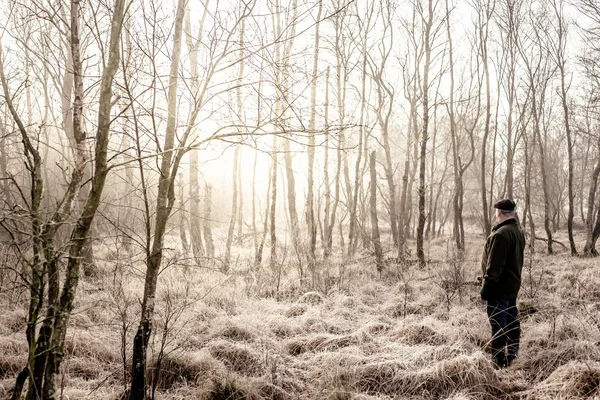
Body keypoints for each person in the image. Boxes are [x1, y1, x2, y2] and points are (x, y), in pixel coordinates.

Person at [480, 199, 525, 369]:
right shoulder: (517, 231)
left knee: (498, 324)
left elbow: (494, 267)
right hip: (512, 286)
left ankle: (498, 363)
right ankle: (512, 355)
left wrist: (486, 288)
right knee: (511, 320)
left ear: (498, 212)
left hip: (498, 289)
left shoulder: (500, 234)